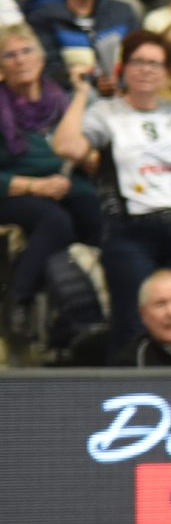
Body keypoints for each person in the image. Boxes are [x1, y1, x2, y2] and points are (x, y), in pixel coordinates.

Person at [54, 29, 171, 354]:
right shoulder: (108, 112)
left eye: (155, 64)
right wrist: (83, 93)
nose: (146, 70)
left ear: (167, 71)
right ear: (123, 68)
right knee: (133, 322)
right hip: (131, 231)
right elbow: (66, 146)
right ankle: (127, 383)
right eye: (138, 62)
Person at [0, 25, 101, 342]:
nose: (20, 60)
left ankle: (84, 315)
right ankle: (18, 301)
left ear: (42, 59)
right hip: (14, 191)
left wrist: (87, 158)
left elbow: (89, 153)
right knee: (56, 221)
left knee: (98, 217)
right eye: (10, 55)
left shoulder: (61, 102)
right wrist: (35, 186)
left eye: (27, 51)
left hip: (68, 186)